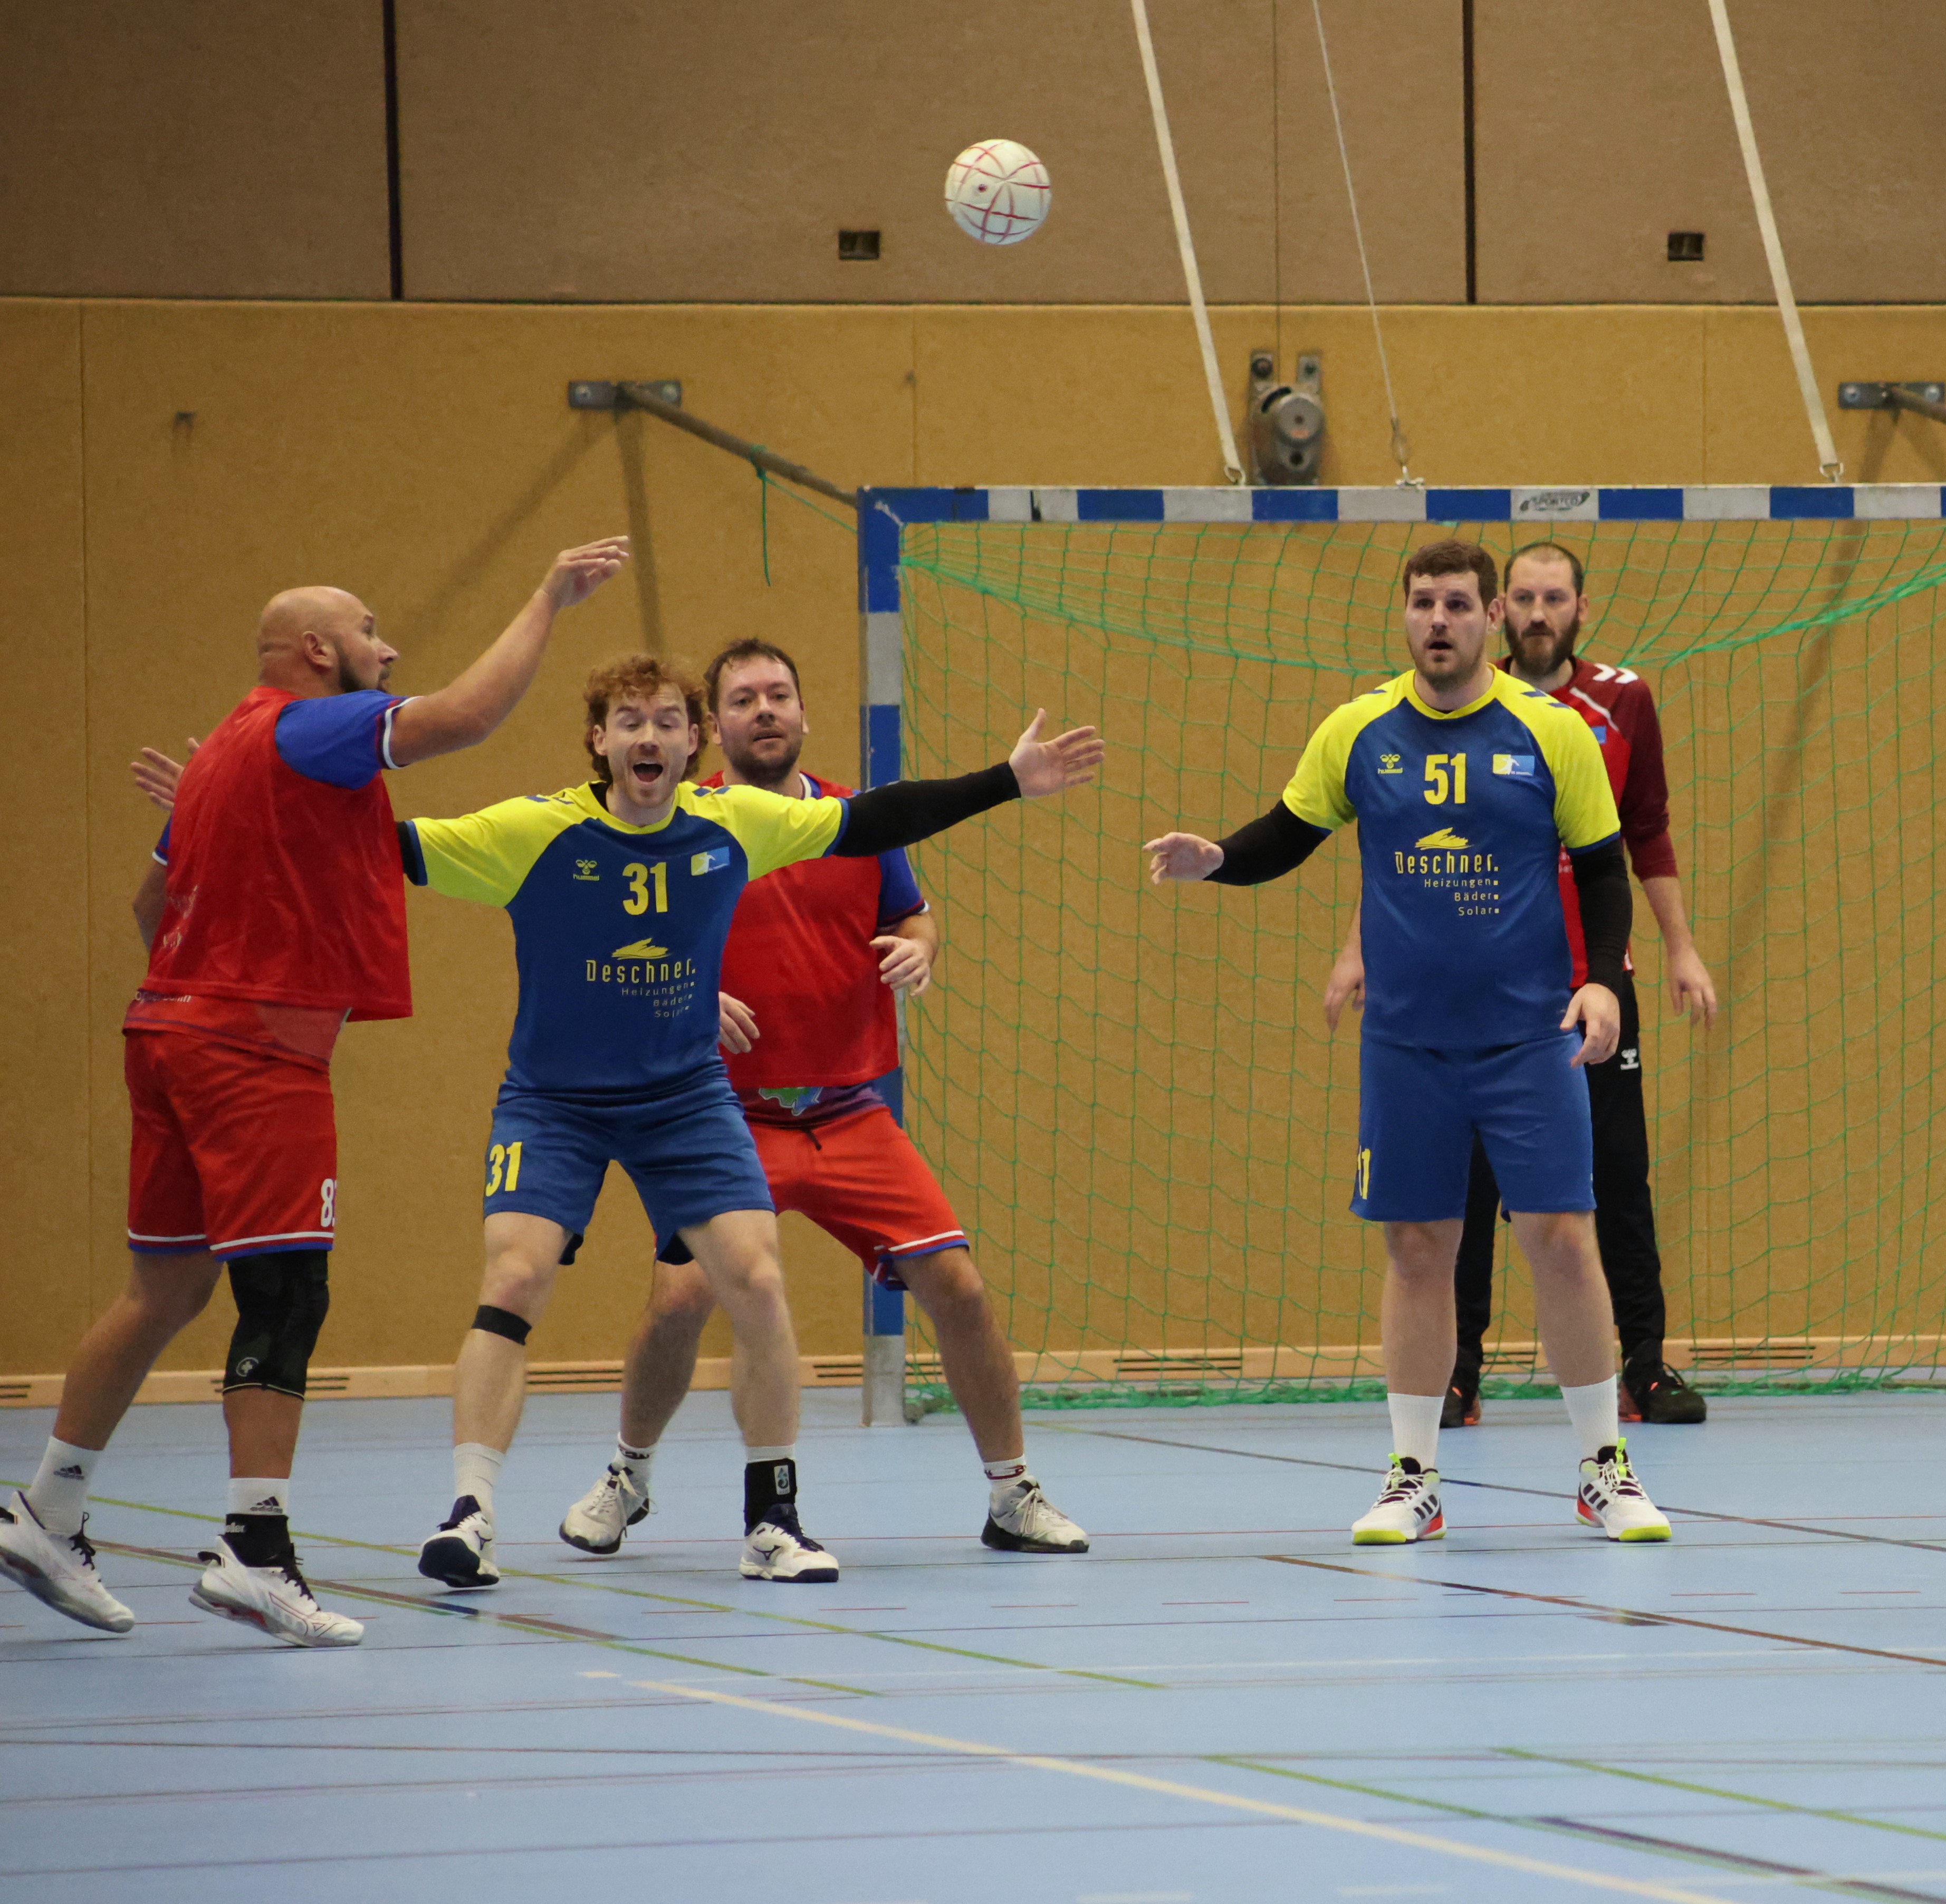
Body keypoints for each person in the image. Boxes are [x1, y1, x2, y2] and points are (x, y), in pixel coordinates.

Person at [0, 541, 632, 1646]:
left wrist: (216, 975)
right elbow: (467, 716)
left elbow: (152, 906)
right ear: (316, 648)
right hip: (252, 1051)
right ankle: (254, 1548)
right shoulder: (313, 726)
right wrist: (547, 598)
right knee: (286, 1293)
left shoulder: (221, 757)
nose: (388, 649)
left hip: (167, 1030)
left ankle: (47, 1508)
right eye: (370, 632)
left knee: (165, 1288)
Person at [403, 656, 1103, 1591]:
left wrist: (1006, 782)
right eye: (630, 721)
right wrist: (271, 791)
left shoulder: (751, 822)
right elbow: (393, 847)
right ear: (602, 739)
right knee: (553, 1280)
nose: (649, 736)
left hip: (753, 1104)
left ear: (691, 739)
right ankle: (505, 1502)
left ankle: (801, 1514)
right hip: (605, 1099)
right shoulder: (544, 829)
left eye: (666, 720)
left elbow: (887, 831)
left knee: (795, 1282)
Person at [1145, 537, 1671, 1545]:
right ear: (1404, 614)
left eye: (1458, 604)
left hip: (1528, 1038)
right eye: (1423, 602)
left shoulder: (1549, 730)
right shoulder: (1357, 729)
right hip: (1406, 1045)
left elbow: (1605, 868)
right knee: (1419, 1247)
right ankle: (1413, 1478)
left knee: (1562, 1240)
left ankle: (1603, 1468)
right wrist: (1217, 857)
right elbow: (1287, 832)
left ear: (1491, 617)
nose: (1439, 620)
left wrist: (1603, 979)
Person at [1323, 541, 1718, 1429]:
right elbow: (1404, 849)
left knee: (1611, 1184)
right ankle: (1458, 1373)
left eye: (1556, 599)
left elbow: (1641, 834)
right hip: (1486, 993)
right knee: (1456, 1197)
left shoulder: (1617, 703)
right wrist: (1357, 948)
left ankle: (1642, 1367)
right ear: (1502, 609)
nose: (1540, 614)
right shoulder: (1462, 701)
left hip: (1590, 985)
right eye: (1526, 599)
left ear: (1581, 607)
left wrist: (1678, 948)